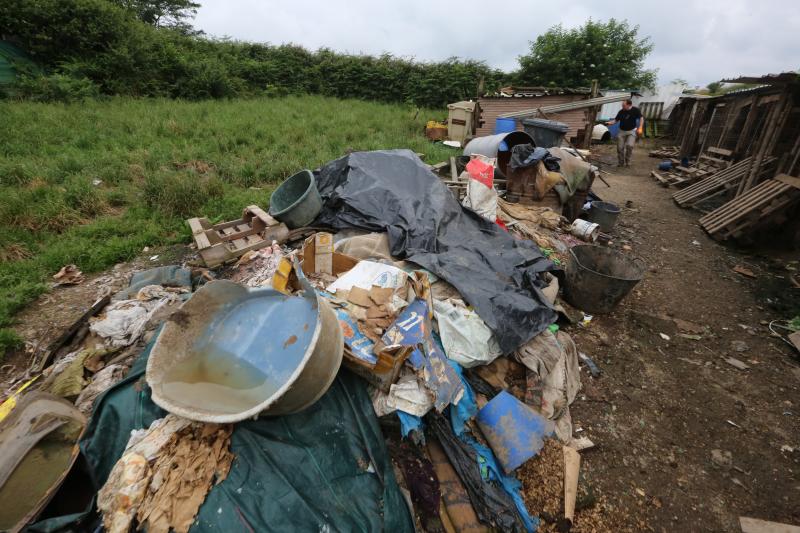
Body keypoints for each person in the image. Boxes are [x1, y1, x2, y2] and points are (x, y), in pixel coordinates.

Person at [607, 99, 644, 167]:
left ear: (629, 105)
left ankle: (628, 162)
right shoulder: (621, 111)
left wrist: (640, 127)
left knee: (629, 146)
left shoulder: (635, 110)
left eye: (624, 105)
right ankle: (621, 163)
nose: (622, 107)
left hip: (631, 131)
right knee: (619, 148)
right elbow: (616, 120)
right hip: (622, 131)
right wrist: (610, 123)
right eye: (622, 105)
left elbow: (641, 118)